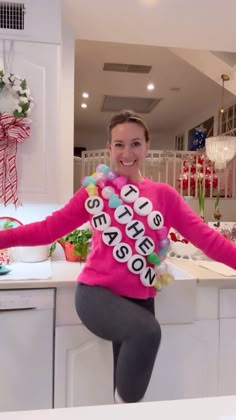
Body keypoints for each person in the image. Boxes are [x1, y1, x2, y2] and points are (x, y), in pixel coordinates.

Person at [0, 110, 236, 404]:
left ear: (147, 146)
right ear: (109, 148)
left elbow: (208, 239)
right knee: (147, 334)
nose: (127, 152)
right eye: (120, 144)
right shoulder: (95, 191)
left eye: (135, 143)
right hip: (96, 294)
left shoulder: (164, 195)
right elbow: (49, 229)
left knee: (125, 384)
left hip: (141, 298)